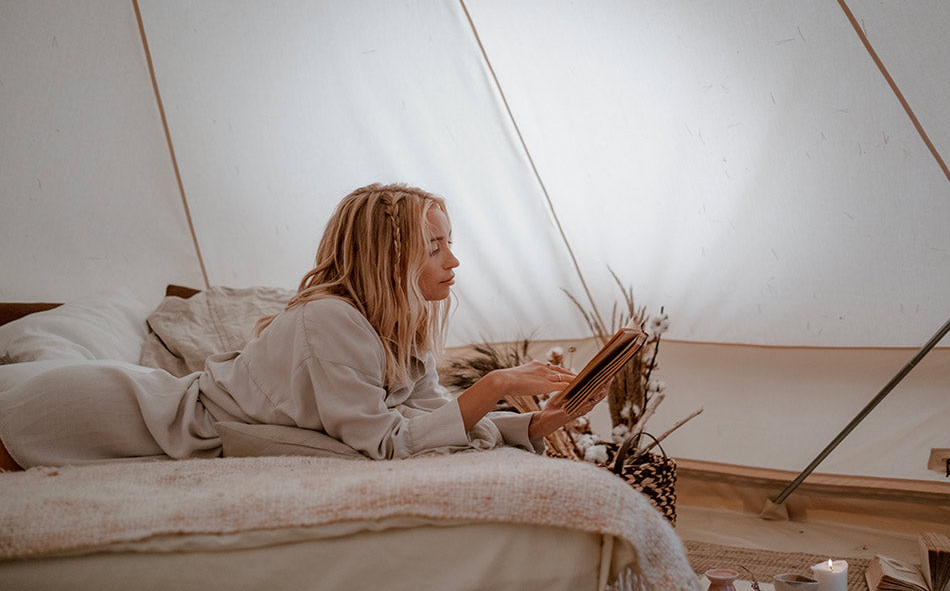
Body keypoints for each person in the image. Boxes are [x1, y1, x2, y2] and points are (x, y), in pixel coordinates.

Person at [0, 183, 607, 469]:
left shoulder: (395, 333)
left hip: (155, 407)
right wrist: (497, 384)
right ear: (386, 256)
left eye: (451, 244)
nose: (453, 261)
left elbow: (429, 420)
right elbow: (388, 444)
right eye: (434, 247)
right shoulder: (332, 320)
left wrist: (535, 421)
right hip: (120, 409)